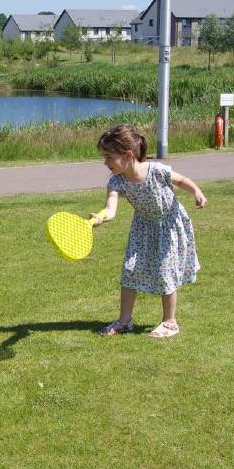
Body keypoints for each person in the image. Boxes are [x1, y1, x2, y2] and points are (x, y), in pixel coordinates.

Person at [90, 124, 206, 338]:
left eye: (108, 157)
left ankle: (170, 322)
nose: (105, 163)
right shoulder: (117, 182)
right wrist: (100, 217)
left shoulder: (157, 170)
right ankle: (125, 321)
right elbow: (110, 209)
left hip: (169, 225)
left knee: (166, 270)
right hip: (142, 228)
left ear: (128, 154)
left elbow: (181, 180)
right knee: (130, 270)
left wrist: (197, 192)